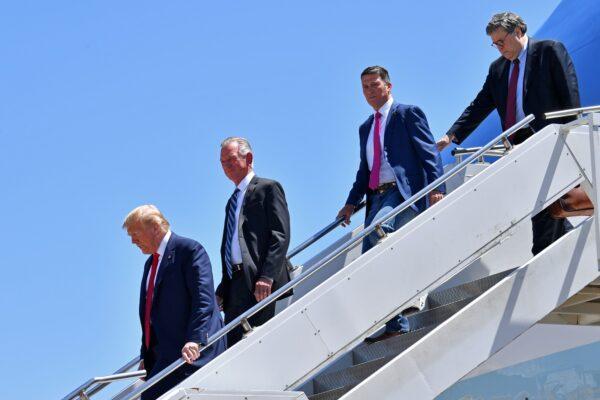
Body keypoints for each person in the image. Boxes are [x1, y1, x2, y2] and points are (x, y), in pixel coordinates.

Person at [437, 11, 581, 255]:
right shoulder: (498, 70)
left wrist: (571, 135)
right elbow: (480, 105)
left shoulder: (549, 50)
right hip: (518, 144)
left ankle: (542, 254)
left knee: (544, 201)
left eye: (501, 41)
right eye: (494, 44)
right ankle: (568, 240)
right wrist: (451, 135)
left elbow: (569, 96)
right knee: (545, 200)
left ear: (518, 31)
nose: (499, 48)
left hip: (549, 137)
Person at [337, 66, 445, 343]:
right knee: (369, 261)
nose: (370, 91)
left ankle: (412, 293)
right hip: (376, 195)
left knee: (380, 230)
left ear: (389, 86)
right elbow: (364, 169)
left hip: (401, 189)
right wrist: (351, 203)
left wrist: (437, 188)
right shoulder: (366, 127)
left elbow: (429, 152)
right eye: (365, 87)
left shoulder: (407, 114)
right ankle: (395, 323)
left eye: (375, 85)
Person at [123, 205, 226, 400]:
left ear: (154, 227)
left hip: (191, 352)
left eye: (135, 234)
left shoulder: (188, 250)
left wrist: (195, 340)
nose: (132, 241)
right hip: (165, 356)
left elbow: (203, 300)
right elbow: (150, 315)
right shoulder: (150, 264)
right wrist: (146, 354)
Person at [216, 137, 292, 347]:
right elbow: (233, 247)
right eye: (222, 163)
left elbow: (281, 234)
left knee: (260, 343)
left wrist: (267, 276)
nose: (226, 166)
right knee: (231, 346)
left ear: (248, 157)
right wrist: (223, 290)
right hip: (235, 286)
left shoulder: (268, 188)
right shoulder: (232, 201)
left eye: (230, 159)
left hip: (259, 282)